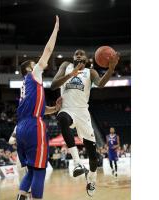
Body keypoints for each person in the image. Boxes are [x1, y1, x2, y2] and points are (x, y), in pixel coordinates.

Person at [51, 49, 119, 196]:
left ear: (87, 59)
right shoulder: (66, 66)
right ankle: (77, 163)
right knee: (62, 118)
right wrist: (71, 74)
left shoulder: (91, 72)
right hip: (67, 108)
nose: (79, 55)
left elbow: (100, 84)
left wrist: (111, 68)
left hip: (82, 113)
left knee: (93, 156)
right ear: (73, 57)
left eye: (82, 54)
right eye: (76, 53)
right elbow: (53, 85)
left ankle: (91, 179)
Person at [15, 16, 60, 200]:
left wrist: (54, 109)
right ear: (30, 69)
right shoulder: (34, 75)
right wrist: (56, 30)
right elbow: (48, 50)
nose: (39, 63)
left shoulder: (25, 87)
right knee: (40, 170)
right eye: (36, 63)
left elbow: (41, 109)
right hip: (34, 127)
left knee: (32, 170)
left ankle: (21, 197)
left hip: (22, 128)